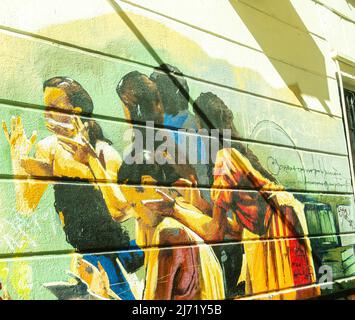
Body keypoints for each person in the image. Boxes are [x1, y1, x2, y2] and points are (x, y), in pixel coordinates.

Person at [60, 71, 225, 299]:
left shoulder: (169, 233)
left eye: (124, 107)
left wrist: (92, 163)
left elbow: (120, 209)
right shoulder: (166, 144)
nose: (135, 213)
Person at [147, 92, 320, 299]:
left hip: (278, 229)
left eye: (199, 126)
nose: (198, 132)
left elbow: (215, 234)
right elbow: (238, 229)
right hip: (285, 220)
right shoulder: (237, 154)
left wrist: (175, 210)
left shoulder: (224, 160)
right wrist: (195, 205)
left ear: (206, 128)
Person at [2, 77, 142, 300]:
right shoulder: (49, 149)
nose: (46, 115)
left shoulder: (105, 153)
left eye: (53, 108)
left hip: (112, 259)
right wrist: (16, 155)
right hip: (82, 258)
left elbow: (123, 211)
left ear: (76, 112)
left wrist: (90, 164)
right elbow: (26, 205)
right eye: (45, 108)